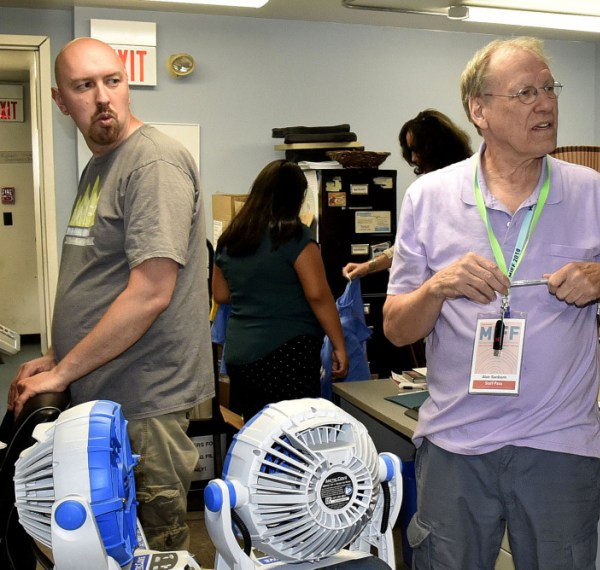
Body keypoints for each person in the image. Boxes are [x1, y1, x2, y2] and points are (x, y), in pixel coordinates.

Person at [383, 37, 600, 569]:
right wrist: (437, 287)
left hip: (559, 445)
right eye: (525, 92)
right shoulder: (428, 197)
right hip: (456, 444)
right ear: (480, 110)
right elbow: (396, 329)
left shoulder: (591, 191)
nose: (545, 103)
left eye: (549, 88)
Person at [7, 37, 214, 551]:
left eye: (112, 81)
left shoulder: (153, 163)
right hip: (106, 386)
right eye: (84, 86)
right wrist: (59, 355)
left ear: (126, 84)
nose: (102, 97)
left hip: (144, 398)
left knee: (151, 547)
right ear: (61, 100)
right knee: (103, 545)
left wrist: (61, 371)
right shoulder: (101, 165)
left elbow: (149, 293)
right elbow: (103, 278)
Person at [212, 159, 349, 421]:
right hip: (288, 355)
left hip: (242, 356)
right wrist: (339, 346)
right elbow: (318, 295)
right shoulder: (295, 236)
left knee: (257, 434)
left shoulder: (230, 238)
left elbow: (220, 294)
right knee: (293, 436)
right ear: (297, 197)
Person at [342, 109, 473, 281]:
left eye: (416, 150)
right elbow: (407, 247)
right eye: (410, 151)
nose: (414, 158)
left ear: (434, 149)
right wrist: (367, 266)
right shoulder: (424, 191)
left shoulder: (468, 185)